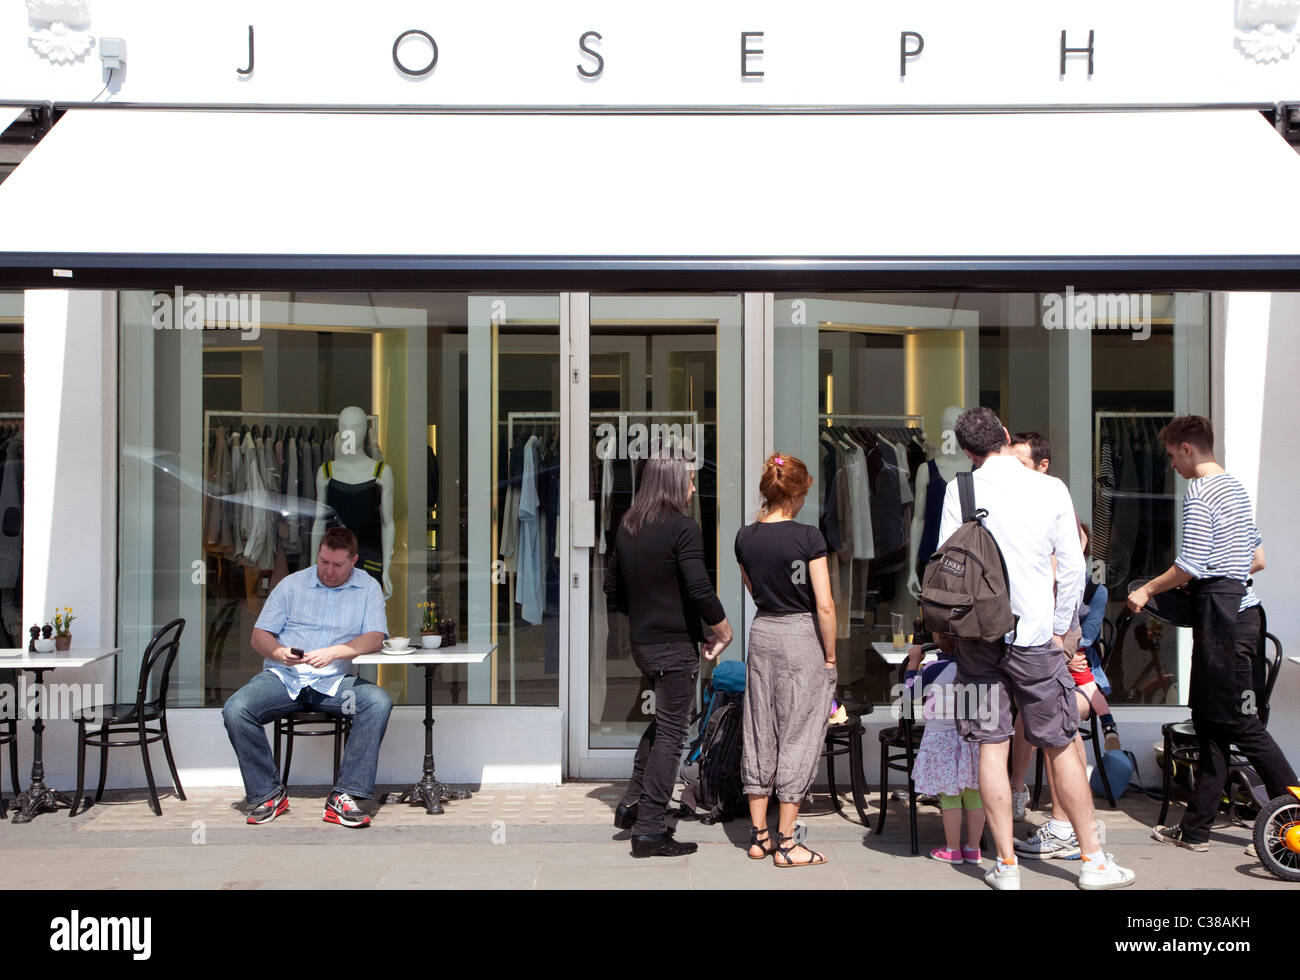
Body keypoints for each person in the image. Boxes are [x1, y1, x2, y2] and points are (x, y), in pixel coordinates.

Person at [939, 407, 1134, 889]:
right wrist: (1065, 632)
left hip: (979, 641)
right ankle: (1092, 860)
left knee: (991, 746)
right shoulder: (1051, 489)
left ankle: (1005, 866)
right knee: (1063, 742)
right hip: (1035, 641)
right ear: (1005, 435)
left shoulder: (960, 489)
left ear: (967, 451)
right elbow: (1073, 566)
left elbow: (946, 565)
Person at [1128, 415, 1298, 852]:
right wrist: (1221, 571)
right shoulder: (1236, 489)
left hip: (1225, 626)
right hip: (1240, 617)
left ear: (1187, 447)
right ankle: (1196, 830)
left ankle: (1297, 804)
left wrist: (1146, 589)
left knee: (1240, 724)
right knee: (1211, 726)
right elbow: (1257, 558)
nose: (1171, 467)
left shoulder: (1201, 493)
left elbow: (1190, 564)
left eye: (1170, 456)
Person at [605, 454, 734, 858]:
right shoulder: (683, 528)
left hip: (644, 644)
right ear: (673, 484)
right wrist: (723, 629)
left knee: (663, 724)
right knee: (673, 735)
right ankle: (649, 830)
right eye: (690, 481)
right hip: (674, 647)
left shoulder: (628, 526)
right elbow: (699, 588)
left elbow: (613, 589)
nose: (694, 489)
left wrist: (645, 616)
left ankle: (632, 804)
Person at [221, 526, 392, 827]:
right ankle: (267, 794)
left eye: (337, 565)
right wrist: (278, 653)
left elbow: (376, 638)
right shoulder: (292, 584)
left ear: (354, 560)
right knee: (236, 709)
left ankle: (345, 796)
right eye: (323, 562)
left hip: (334, 683)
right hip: (284, 679)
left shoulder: (368, 587)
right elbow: (259, 636)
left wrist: (336, 652)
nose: (328, 570)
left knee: (377, 702)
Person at [734, 453, 837, 867]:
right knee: (799, 731)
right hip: (800, 634)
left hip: (763, 632)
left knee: (759, 726)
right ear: (795, 492)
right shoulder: (808, 537)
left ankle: (759, 836)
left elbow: (752, 588)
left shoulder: (744, 536)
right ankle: (788, 841)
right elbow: (825, 605)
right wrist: (830, 657)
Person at [905, 643, 985, 866]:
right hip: (972, 738)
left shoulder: (934, 668)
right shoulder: (979, 665)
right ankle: (973, 849)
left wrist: (912, 664)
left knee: (949, 795)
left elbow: (910, 694)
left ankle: (952, 849)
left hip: (942, 738)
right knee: (974, 793)